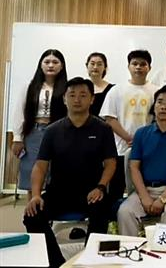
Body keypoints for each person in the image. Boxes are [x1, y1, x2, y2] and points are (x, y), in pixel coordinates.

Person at [23, 77, 116, 268]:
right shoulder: (52, 130)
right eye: (72, 95)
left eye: (83, 95)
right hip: (59, 193)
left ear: (92, 99)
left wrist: (101, 186)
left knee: (101, 212)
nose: (77, 99)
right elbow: (40, 166)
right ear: (64, 99)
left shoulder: (103, 129)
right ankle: (57, 263)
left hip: (91, 193)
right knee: (32, 215)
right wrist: (36, 195)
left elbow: (110, 163)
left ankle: (91, 261)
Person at [117, 87, 166, 236]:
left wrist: (163, 199)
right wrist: (144, 196)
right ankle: (130, 249)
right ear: (154, 106)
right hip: (145, 189)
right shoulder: (141, 133)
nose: (163, 106)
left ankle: (165, 250)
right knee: (125, 212)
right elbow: (134, 167)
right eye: (160, 102)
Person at [100, 50, 158, 201]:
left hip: (147, 148)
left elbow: (158, 119)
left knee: (143, 189)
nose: (138, 67)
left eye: (143, 64)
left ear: (149, 68)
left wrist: (142, 139)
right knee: (116, 190)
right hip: (120, 148)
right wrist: (128, 137)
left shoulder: (156, 91)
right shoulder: (116, 90)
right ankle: (114, 215)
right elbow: (109, 118)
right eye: (135, 64)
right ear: (129, 66)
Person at [12, 49, 68, 192]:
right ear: (40, 65)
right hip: (34, 132)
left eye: (55, 62)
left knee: (54, 173)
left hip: (58, 133)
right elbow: (19, 111)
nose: (51, 65)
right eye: (47, 62)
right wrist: (17, 138)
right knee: (32, 172)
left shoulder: (67, 88)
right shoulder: (29, 86)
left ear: (62, 66)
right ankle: (32, 205)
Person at [85, 52, 114, 117]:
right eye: (92, 64)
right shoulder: (81, 88)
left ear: (105, 67)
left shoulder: (112, 90)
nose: (95, 67)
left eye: (99, 64)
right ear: (87, 66)